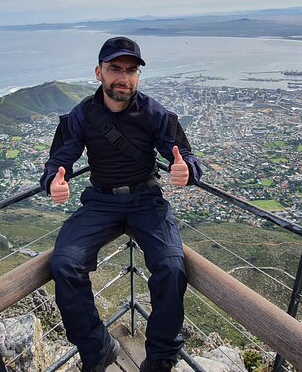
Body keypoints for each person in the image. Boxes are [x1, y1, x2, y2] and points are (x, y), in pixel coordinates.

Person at [40, 36, 202, 372]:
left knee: (172, 268)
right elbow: (59, 160)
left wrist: (186, 169)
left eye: (130, 70)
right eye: (115, 68)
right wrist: (54, 181)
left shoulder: (155, 113)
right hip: (101, 200)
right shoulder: (81, 115)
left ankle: (159, 359)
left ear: (138, 77)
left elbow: (185, 156)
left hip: (146, 199)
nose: (123, 77)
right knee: (64, 264)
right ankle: (97, 348)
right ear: (98, 72)